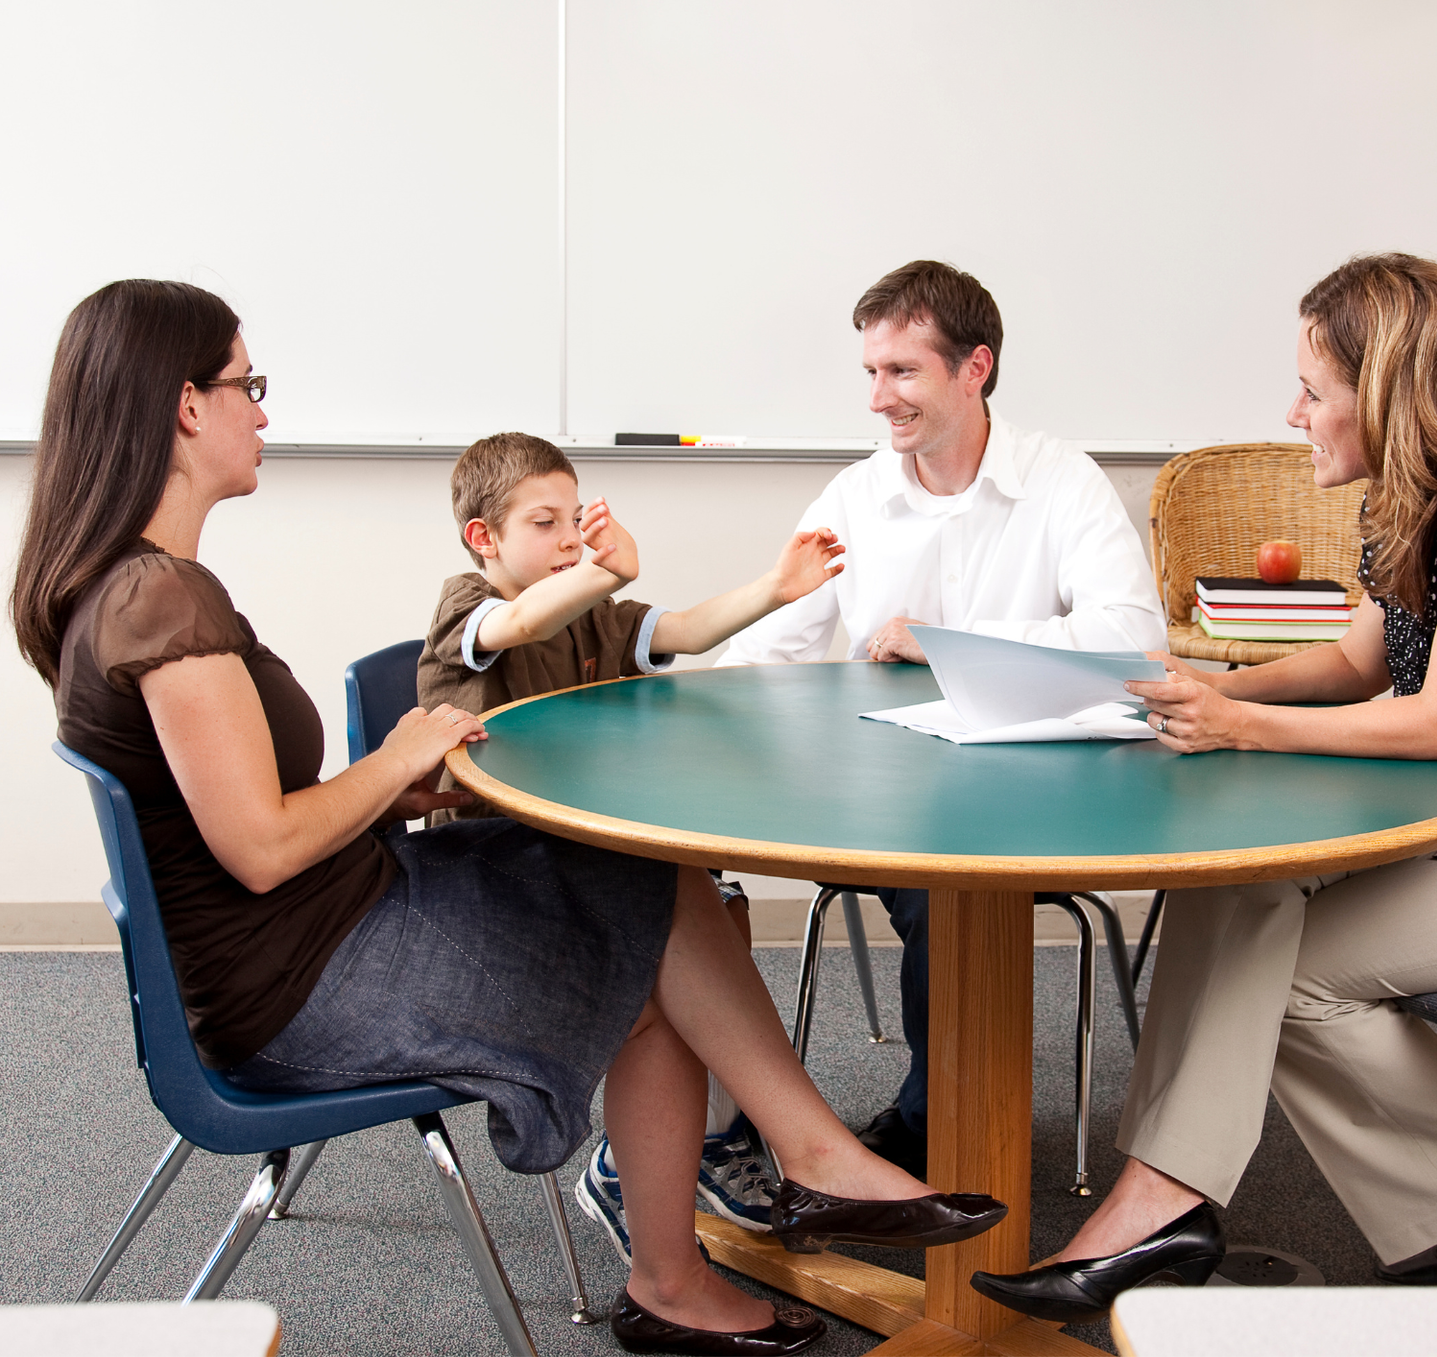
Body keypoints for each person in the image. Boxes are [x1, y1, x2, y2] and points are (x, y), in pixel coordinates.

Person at [13, 280, 1007, 1357]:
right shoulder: (161, 600)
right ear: (182, 407)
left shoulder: (136, 589)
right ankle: (738, 1218)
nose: (262, 408)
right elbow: (258, 849)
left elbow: (242, 819)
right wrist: (395, 753)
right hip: (299, 978)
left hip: (326, 913)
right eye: (246, 384)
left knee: (643, 872)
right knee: (644, 931)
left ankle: (779, 1181)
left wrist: (407, 779)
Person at [971, 253, 1437, 1321]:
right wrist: (1214, 686)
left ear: (1385, 392)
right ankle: (1213, 1201)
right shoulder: (1408, 497)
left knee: (1284, 975)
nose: (1295, 412)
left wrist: (1242, 725)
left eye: (1314, 391)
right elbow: (1356, 665)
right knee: (1235, 888)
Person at [717, 260, 1167, 1175]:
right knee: (929, 880)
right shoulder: (853, 495)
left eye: (903, 372)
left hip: (1049, 793)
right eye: (872, 374)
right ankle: (922, 1119)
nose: (880, 398)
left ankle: (936, 1128)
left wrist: (949, 638)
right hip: (892, 797)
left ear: (976, 368)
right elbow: (776, 646)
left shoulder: (1061, 481)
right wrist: (691, 714)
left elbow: (1135, 641)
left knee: (947, 885)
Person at [416, 430, 844, 1246]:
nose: (571, 538)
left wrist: (776, 588)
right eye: (545, 522)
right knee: (669, 914)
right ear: (485, 537)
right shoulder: (466, 608)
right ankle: (650, 1154)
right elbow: (514, 624)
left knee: (716, 894)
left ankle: (712, 1131)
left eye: (576, 518)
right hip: (493, 878)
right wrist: (599, 571)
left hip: (576, 854)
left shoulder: (591, 616)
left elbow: (682, 629)